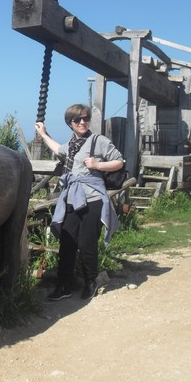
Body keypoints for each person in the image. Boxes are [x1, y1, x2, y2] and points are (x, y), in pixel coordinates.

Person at [34, 104, 124, 301]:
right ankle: (63, 285)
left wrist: (97, 164)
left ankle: (91, 281)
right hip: (72, 199)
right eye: (77, 120)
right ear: (70, 123)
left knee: (86, 243)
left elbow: (119, 162)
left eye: (85, 118)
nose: (82, 122)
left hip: (92, 198)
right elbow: (58, 149)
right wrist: (43, 134)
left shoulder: (98, 141)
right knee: (67, 243)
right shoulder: (71, 145)